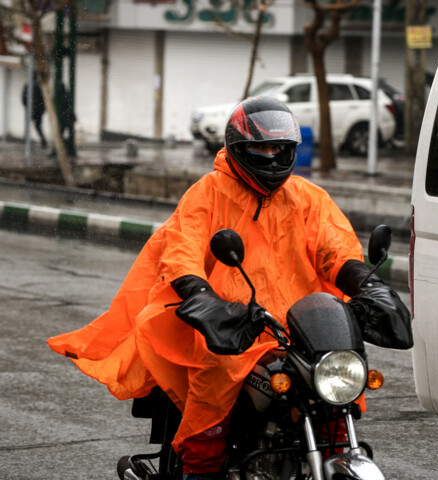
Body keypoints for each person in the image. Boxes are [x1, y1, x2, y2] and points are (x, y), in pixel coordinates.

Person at [47, 96, 412, 480]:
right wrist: (205, 301)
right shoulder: (207, 193)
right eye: (260, 147)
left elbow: (335, 250)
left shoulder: (307, 197)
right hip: (231, 324)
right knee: (214, 387)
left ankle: (335, 453)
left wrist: (368, 286)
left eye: (279, 149)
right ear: (238, 148)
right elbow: (182, 253)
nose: (271, 157)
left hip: (300, 326)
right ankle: (200, 472)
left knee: (336, 394)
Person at [22, 73, 47, 148]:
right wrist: (42, 109)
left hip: (30, 110)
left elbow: (24, 98)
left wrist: (27, 106)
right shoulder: (39, 86)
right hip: (38, 110)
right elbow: (43, 99)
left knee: (28, 125)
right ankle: (43, 140)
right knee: (38, 126)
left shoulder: (27, 85)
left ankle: (27, 142)